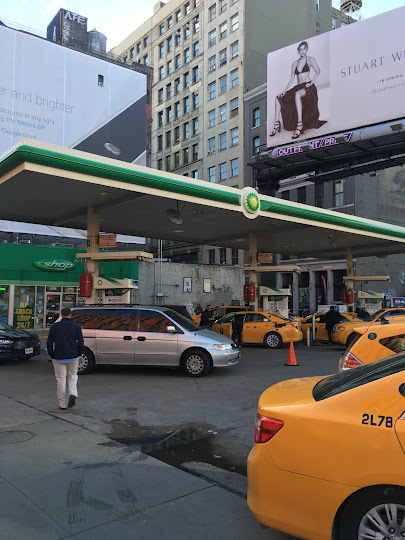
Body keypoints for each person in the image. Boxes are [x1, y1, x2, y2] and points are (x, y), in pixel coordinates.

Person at [270, 41, 326, 140]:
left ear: (306, 49)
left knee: (297, 94)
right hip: (298, 87)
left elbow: (318, 71)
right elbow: (292, 78)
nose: (302, 51)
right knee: (278, 98)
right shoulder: (295, 63)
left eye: (304, 49)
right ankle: (276, 124)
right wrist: (284, 90)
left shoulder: (310, 59)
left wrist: (311, 83)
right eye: (300, 50)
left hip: (309, 87)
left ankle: (299, 125)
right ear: (298, 51)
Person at [46, 307, 84, 410]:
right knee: (72, 376)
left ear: (61, 315)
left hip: (58, 356)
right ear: (70, 315)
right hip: (73, 355)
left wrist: (52, 354)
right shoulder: (76, 327)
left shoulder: (54, 327)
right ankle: (72, 393)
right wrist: (78, 353)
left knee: (60, 379)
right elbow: (81, 342)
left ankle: (62, 404)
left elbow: (49, 343)